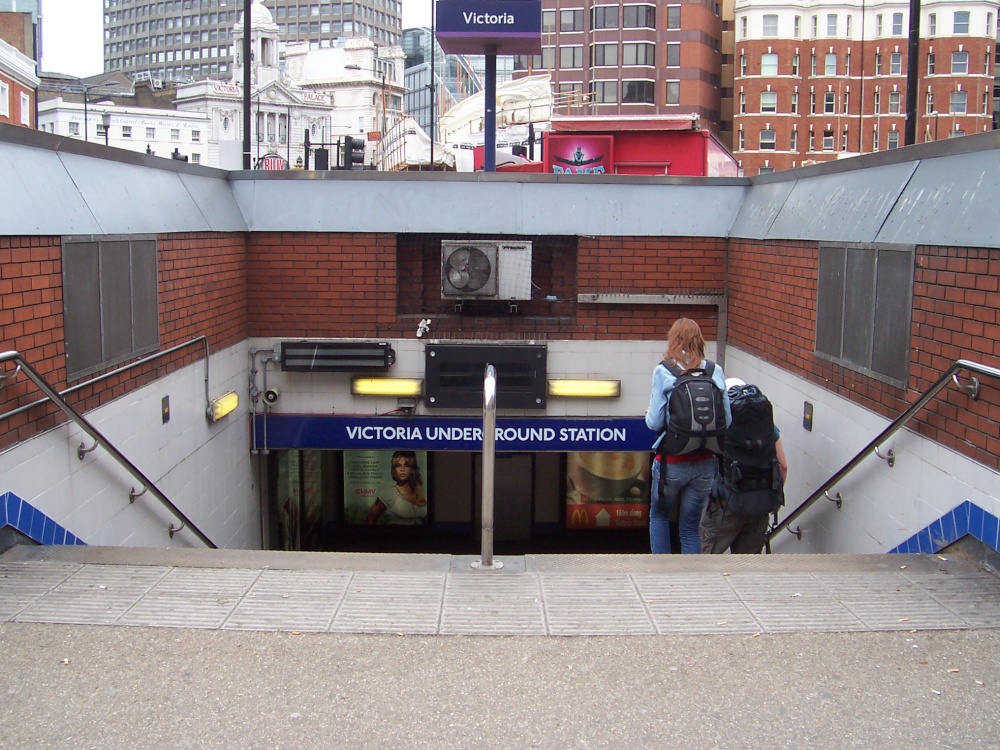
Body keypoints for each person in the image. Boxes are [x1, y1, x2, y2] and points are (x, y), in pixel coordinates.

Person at [645, 318, 731, 554]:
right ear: (699, 340)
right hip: (705, 462)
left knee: (659, 516)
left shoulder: (664, 371)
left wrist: (649, 413)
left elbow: (654, 423)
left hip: (671, 463)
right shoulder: (714, 370)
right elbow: (727, 421)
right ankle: (690, 572)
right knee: (690, 527)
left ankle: (662, 568)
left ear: (673, 339)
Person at [701, 378, 788, 555]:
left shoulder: (721, 421)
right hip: (760, 503)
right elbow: (783, 466)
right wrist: (773, 494)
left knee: (706, 561)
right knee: (748, 564)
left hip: (726, 504)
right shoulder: (767, 426)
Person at [365, 450, 428, 525]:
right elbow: (370, 520)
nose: (402, 469)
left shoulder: (420, 492)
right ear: (394, 469)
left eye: (406, 465)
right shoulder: (388, 493)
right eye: (398, 465)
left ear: (412, 468)